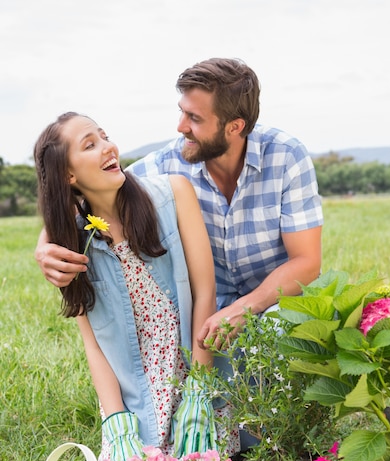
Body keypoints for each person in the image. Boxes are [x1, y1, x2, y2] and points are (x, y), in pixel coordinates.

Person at [35, 57, 323, 349]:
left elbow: (307, 262)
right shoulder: (167, 165)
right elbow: (92, 188)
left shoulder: (286, 156)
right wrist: (45, 244)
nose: (181, 127)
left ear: (235, 127)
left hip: (278, 300)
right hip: (209, 317)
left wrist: (245, 308)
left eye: (195, 119)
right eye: (182, 112)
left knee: (280, 337)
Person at [33, 111, 233, 461]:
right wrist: (116, 421)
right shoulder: (71, 248)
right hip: (135, 396)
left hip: (192, 375)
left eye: (105, 136)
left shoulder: (174, 193)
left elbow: (205, 293)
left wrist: (198, 393)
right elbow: (93, 343)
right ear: (69, 174)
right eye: (90, 144)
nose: (108, 147)